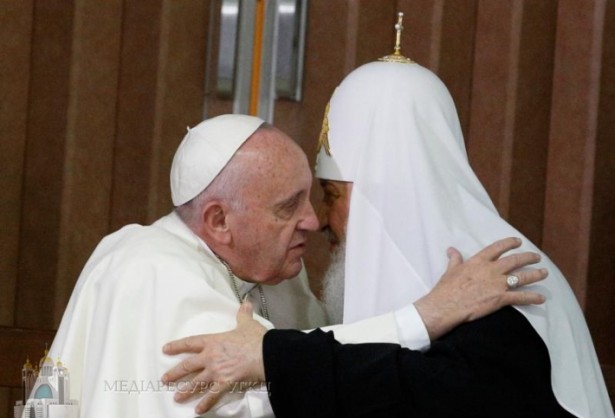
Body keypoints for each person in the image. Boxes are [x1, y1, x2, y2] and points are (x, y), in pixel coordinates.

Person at [161, 59, 614, 416]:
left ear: (388, 200)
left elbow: (419, 393)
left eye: (331, 195)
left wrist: (272, 356)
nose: (321, 222)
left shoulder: (501, 284)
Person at [45, 114, 544, 417]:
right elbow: (275, 393)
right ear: (219, 221)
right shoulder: (153, 270)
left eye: (311, 197)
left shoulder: (280, 274)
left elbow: (310, 364)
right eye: (288, 207)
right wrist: (427, 314)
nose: (312, 221)